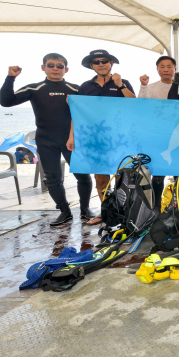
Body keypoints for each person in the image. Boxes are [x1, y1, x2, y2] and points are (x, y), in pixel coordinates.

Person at [0, 53, 94, 226]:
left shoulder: (75, 89)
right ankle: (64, 211)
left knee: (82, 175)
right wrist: (10, 78)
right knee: (52, 178)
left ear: (66, 69)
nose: (55, 69)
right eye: (51, 65)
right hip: (45, 140)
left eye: (60, 66)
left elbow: (91, 112)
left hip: (72, 140)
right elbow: (6, 102)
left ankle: (85, 210)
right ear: (43, 67)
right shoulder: (35, 88)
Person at [69, 49, 135, 225]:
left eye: (104, 61)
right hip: (95, 138)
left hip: (120, 137)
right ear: (92, 65)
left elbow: (135, 103)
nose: (101, 64)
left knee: (122, 176)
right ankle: (106, 211)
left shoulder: (123, 82)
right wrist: (71, 137)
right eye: (96, 62)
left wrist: (120, 84)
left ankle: (123, 212)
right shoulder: (85, 86)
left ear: (111, 63)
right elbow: (77, 113)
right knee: (101, 178)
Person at [138, 56, 179, 209]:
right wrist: (143, 85)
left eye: (169, 66)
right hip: (158, 137)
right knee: (158, 174)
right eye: (162, 66)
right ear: (157, 69)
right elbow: (142, 104)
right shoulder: (150, 87)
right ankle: (156, 207)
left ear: (175, 69)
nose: (166, 69)